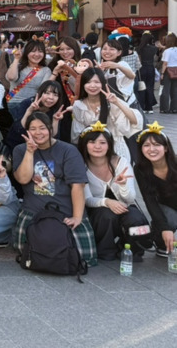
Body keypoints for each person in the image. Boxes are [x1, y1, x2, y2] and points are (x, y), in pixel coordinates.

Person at [11, 112, 97, 267]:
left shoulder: (68, 150)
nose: (38, 133)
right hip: (34, 212)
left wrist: (77, 217)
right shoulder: (20, 150)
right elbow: (23, 179)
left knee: (84, 257)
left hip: (66, 211)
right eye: (33, 129)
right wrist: (30, 152)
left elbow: (78, 185)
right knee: (26, 250)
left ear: (51, 128)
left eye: (42, 128)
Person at [77, 123, 150, 261]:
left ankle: (132, 249)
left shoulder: (122, 163)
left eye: (102, 142)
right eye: (92, 142)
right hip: (97, 209)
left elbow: (129, 199)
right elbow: (87, 199)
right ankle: (105, 250)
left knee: (136, 219)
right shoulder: (81, 164)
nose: (97, 146)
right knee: (106, 216)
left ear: (109, 144)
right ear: (84, 144)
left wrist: (123, 185)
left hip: (123, 205)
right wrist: (107, 202)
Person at [71, 68, 139, 162]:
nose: (92, 86)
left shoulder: (111, 101)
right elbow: (77, 135)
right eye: (88, 82)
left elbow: (134, 121)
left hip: (116, 149)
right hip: (93, 151)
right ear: (83, 84)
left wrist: (117, 103)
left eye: (96, 82)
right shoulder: (79, 105)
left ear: (103, 84)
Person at [134, 122, 177, 257]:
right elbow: (149, 200)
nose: (151, 149)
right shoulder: (140, 169)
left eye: (157, 145)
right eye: (146, 145)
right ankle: (161, 241)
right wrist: (165, 228)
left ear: (165, 148)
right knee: (168, 217)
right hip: (165, 209)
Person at [5, 39, 52, 122]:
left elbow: (43, 90)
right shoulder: (17, 66)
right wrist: (16, 59)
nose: (37, 54)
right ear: (26, 53)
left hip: (31, 106)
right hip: (13, 104)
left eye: (40, 51)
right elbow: (11, 77)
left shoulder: (46, 70)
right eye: (33, 51)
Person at [135, 32, 158, 114]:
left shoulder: (138, 49)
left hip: (142, 69)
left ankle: (143, 106)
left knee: (142, 87)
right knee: (150, 87)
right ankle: (150, 107)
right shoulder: (154, 48)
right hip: (151, 68)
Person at [160, 35, 177, 113]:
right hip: (176, 70)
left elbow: (165, 63)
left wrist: (162, 73)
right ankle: (174, 108)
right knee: (175, 90)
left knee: (165, 90)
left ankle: (165, 108)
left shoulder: (167, 51)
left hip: (168, 71)